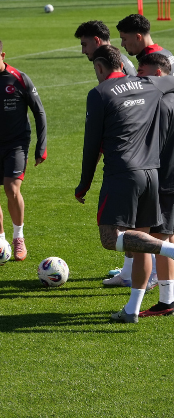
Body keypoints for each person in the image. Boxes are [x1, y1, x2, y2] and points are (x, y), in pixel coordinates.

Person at [76, 45, 174, 322]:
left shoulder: (99, 93)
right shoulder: (150, 84)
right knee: (143, 242)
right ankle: (132, 309)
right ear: (123, 64)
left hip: (122, 175)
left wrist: (84, 184)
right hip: (151, 174)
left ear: (99, 67)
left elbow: (91, 145)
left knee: (111, 238)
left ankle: (171, 250)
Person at [0, 36, 48, 262]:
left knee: (12, 189)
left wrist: (41, 146)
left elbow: (39, 112)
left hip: (16, 143)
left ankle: (18, 237)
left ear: (2, 56)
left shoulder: (19, 79)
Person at [136, 51, 174, 316]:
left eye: (143, 73)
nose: (140, 79)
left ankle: (166, 301)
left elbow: (153, 145)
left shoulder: (161, 103)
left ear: (158, 73)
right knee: (168, 236)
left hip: (165, 178)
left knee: (160, 239)